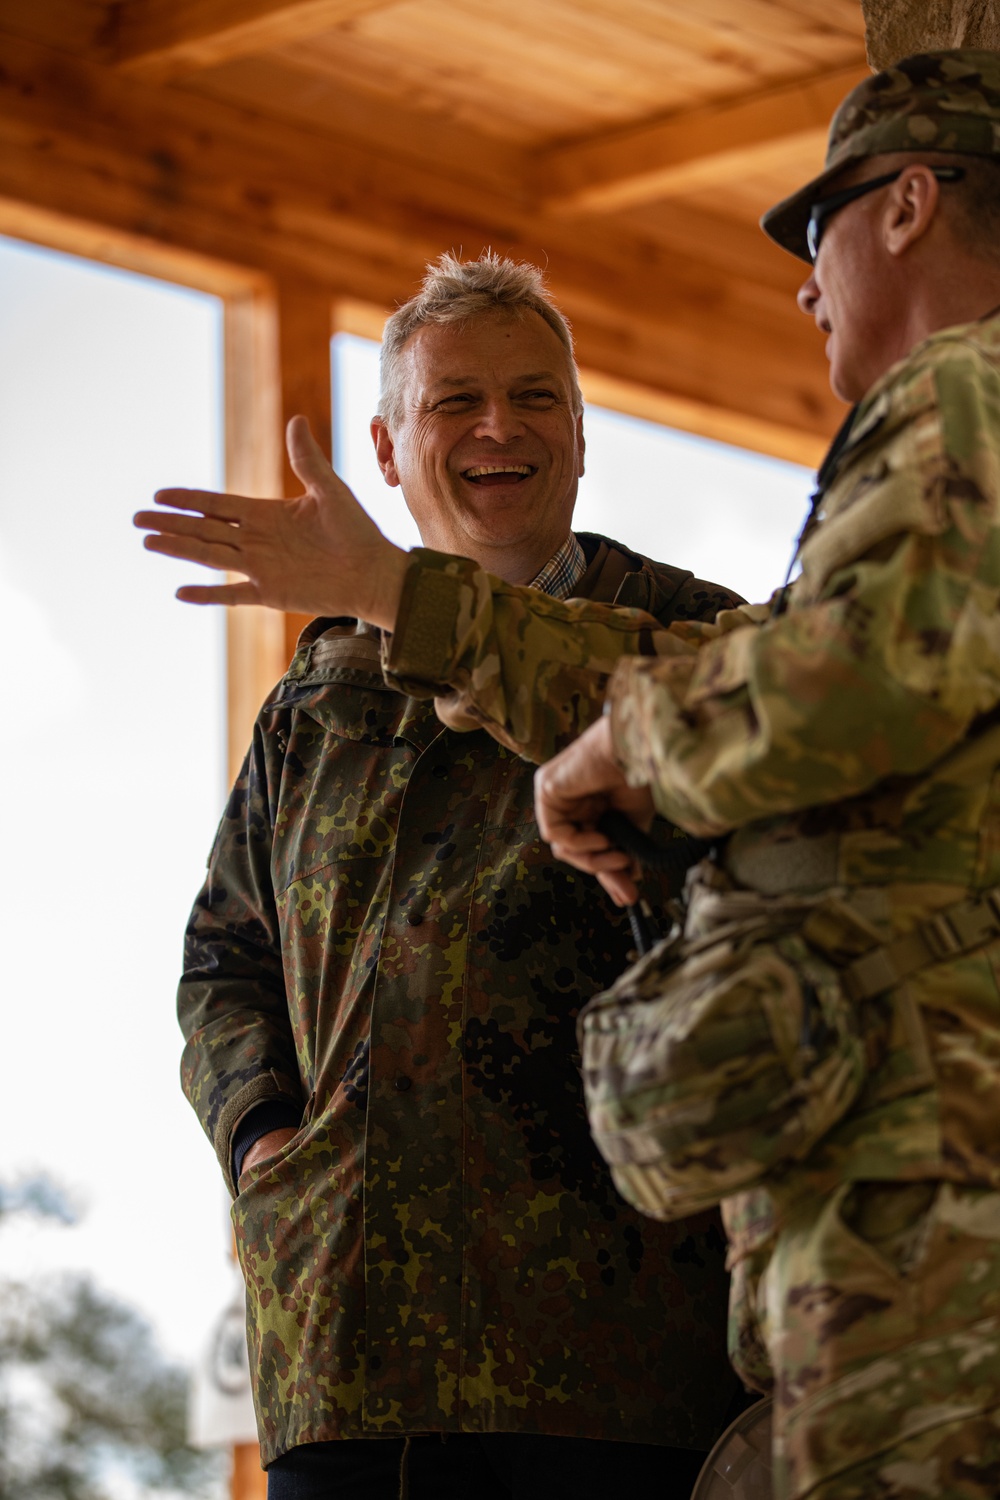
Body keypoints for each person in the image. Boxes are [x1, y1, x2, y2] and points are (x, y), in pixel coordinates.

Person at [136, 253, 745, 1499]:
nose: (497, 429)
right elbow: (224, 958)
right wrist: (264, 1141)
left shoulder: (697, 642)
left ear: (581, 433)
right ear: (386, 445)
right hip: (347, 1351)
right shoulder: (315, 694)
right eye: (454, 401)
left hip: (615, 1355)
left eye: (535, 398)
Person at [519, 50, 1000, 1500]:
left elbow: (859, 674)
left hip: (931, 1214)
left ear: (908, 204)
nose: (803, 282)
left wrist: (624, 741)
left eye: (819, 227)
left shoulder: (967, 391)